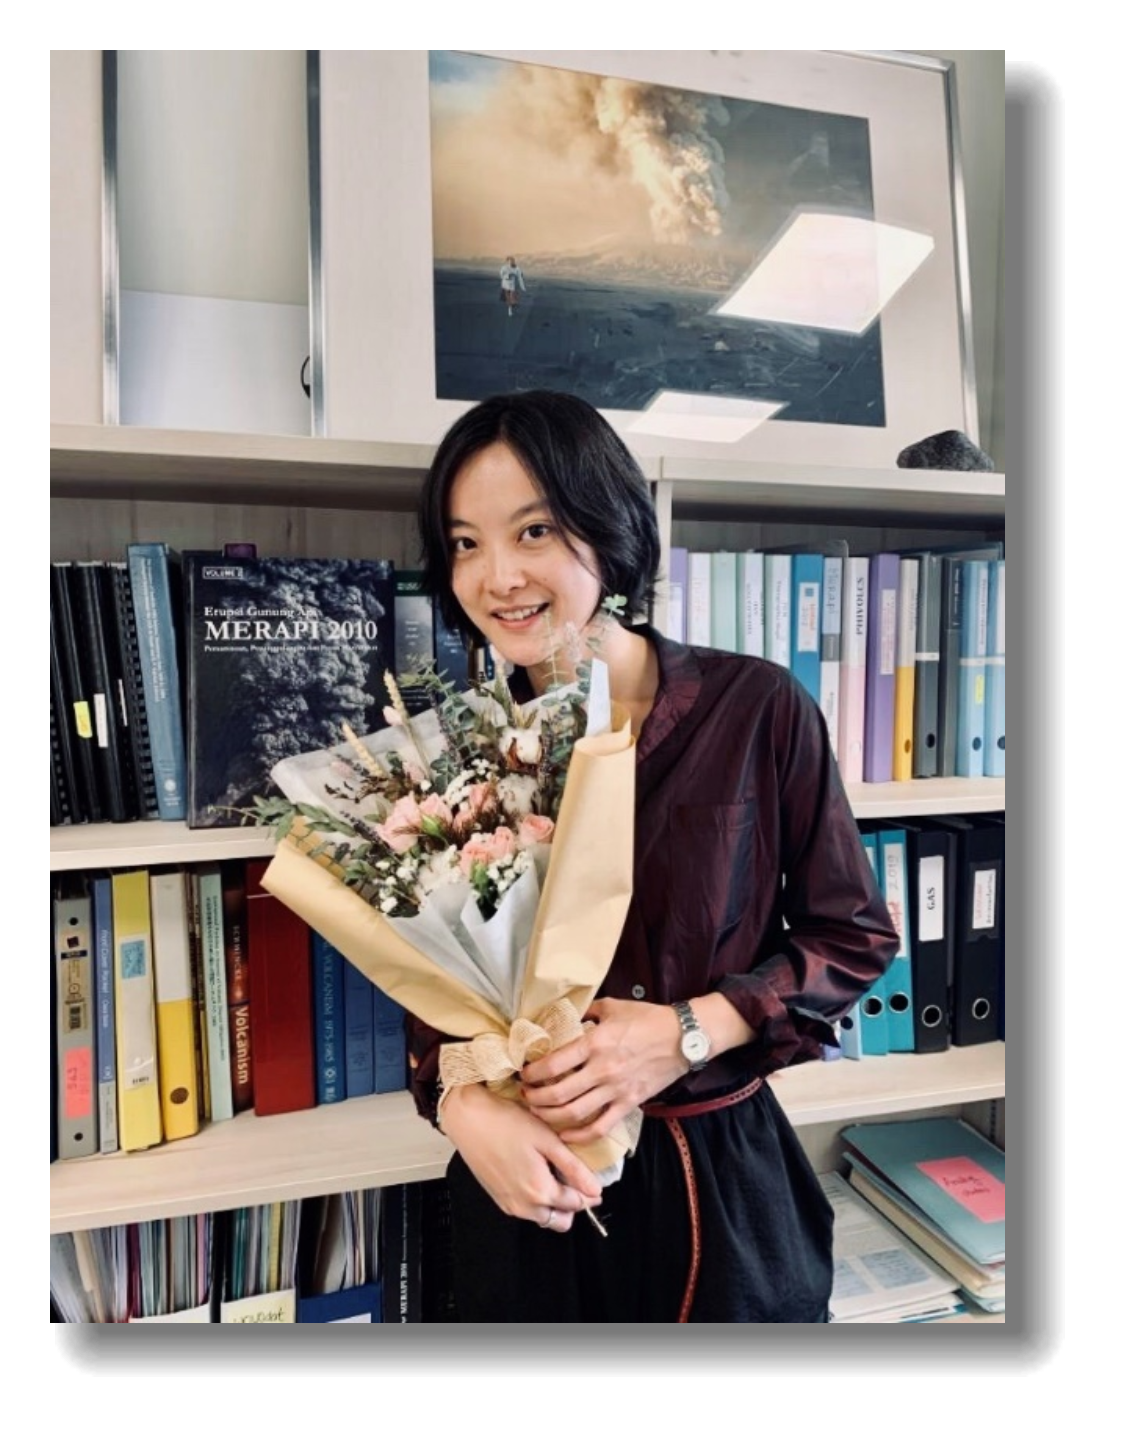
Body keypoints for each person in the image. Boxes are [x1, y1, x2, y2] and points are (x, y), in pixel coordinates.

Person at [410, 389, 899, 1323]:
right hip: (528, 1180)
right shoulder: (452, 752)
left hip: (716, 1184)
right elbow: (432, 986)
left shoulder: (755, 708)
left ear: (609, 528)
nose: (498, 576)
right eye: (465, 543)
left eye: (534, 530)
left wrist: (687, 1031)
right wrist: (463, 1108)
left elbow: (851, 937)